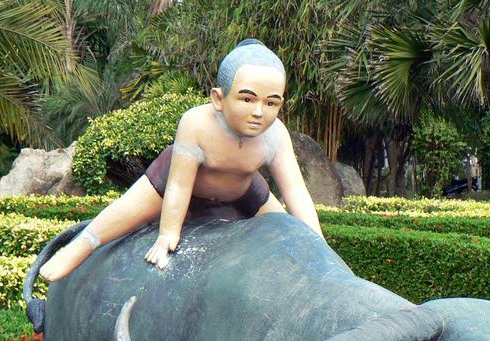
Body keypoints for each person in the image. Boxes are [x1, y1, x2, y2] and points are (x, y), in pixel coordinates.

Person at [39, 39, 323, 282]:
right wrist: (168, 233)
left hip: (243, 190)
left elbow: (296, 192)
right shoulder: (196, 123)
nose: (259, 112)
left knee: (288, 230)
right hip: (171, 184)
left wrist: (318, 245)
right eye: (247, 99)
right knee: (125, 210)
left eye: (271, 103)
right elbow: (179, 184)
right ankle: (80, 247)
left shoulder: (275, 135)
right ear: (218, 98)